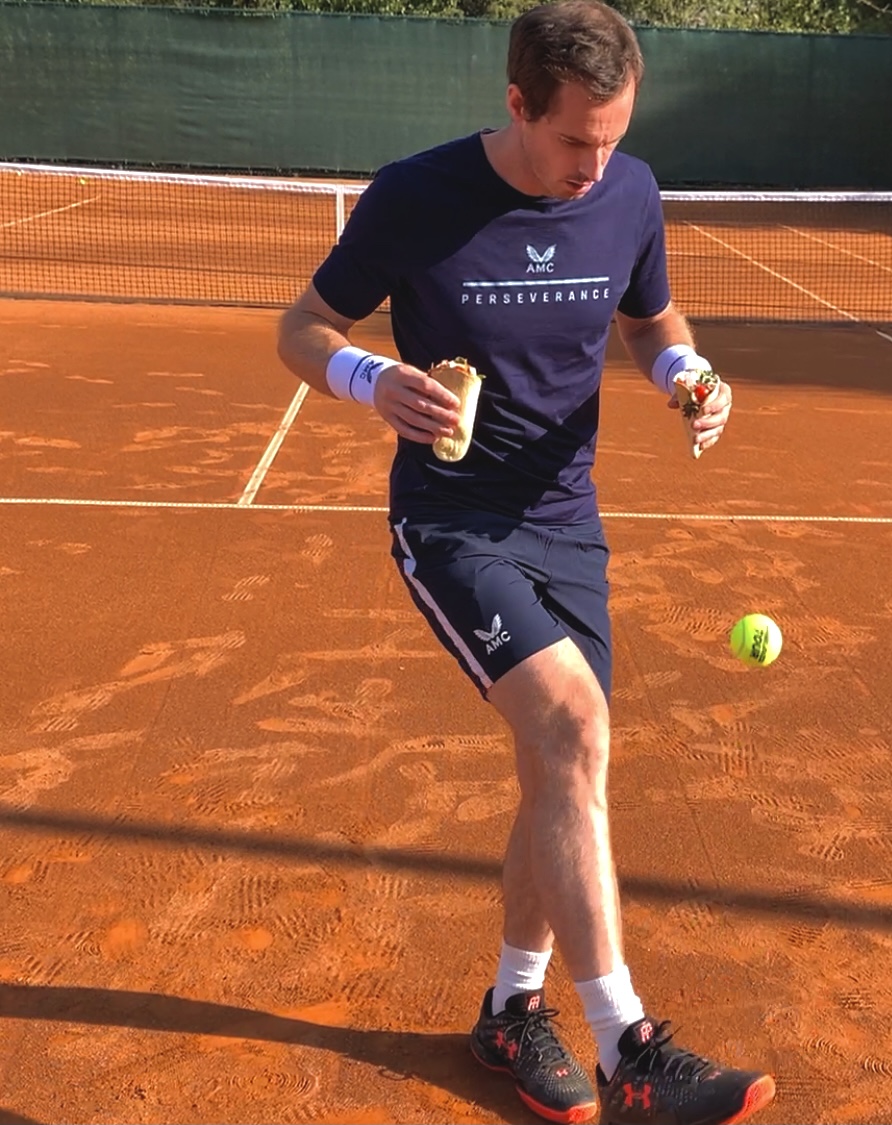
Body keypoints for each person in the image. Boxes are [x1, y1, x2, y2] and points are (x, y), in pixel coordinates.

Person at [277, 2, 776, 1122]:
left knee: (565, 769)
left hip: (568, 518)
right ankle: (626, 1044)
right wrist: (368, 379)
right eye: (572, 142)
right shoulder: (416, 195)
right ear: (516, 104)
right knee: (572, 729)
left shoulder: (632, 191)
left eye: (613, 137)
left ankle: (510, 1011)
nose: (595, 164)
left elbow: (651, 319)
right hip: (452, 521)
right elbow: (301, 325)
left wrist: (688, 375)